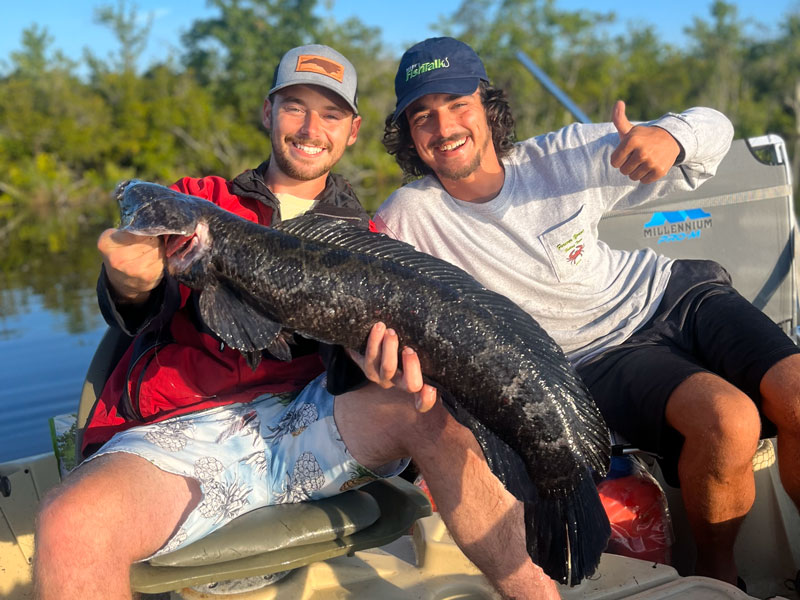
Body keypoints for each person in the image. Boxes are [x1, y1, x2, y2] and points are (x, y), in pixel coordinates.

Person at [33, 43, 560, 600]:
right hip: (181, 432)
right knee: (70, 523)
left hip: (314, 422)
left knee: (432, 413)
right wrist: (129, 281)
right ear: (269, 112)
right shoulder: (197, 201)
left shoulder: (368, 242)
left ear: (352, 131)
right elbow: (137, 310)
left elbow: (355, 373)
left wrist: (376, 368)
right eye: (295, 107)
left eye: (330, 114)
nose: (311, 128)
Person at [377, 36, 800, 589]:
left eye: (458, 104)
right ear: (409, 135)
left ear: (487, 107)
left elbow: (714, 125)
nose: (444, 127)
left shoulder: (561, 155)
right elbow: (370, 288)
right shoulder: (409, 216)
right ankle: (720, 578)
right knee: (729, 421)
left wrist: (672, 137)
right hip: (593, 355)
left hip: (674, 291)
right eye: (423, 117)